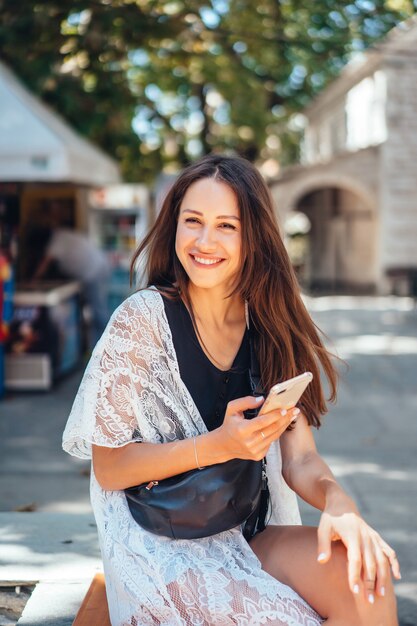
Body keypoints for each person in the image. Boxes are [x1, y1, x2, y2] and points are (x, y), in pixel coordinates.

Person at [63, 154, 400, 625]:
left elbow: (301, 458)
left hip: (246, 532)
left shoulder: (270, 326)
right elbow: (110, 466)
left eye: (227, 226)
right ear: (173, 226)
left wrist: (339, 502)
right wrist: (216, 446)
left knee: (365, 579)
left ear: (253, 237)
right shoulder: (141, 321)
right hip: (161, 542)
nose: (205, 241)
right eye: (193, 221)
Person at [32, 226, 110, 347]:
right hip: (97, 266)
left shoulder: (55, 242)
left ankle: (106, 349)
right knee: (97, 311)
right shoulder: (62, 234)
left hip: (93, 272)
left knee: (98, 313)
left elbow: (44, 264)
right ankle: (99, 347)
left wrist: (33, 280)